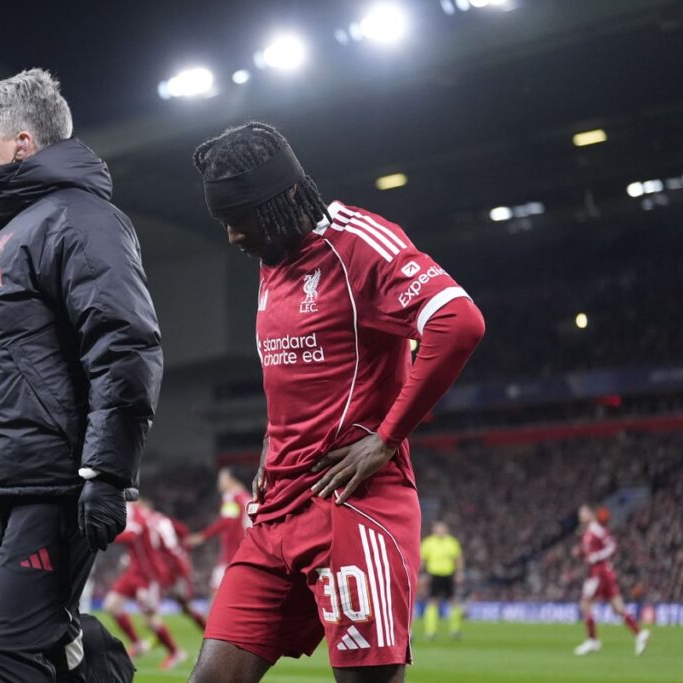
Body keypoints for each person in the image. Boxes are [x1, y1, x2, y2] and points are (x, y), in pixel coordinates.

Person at [188, 122, 485, 683]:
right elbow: (297, 374)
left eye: (240, 218)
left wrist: (386, 438)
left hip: (352, 506)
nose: (232, 235)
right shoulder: (271, 259)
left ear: (281, 201)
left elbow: (458, 321)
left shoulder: (360, 245)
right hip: (277, 510)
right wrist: (269, 445)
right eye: (224, 221)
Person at [0, 68, 163, 682]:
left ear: (22, 143)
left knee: (6, 653)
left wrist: (105, 471)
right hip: (11, 483)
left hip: (57, 480)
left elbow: (124, 343)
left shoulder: (80, 219)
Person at [104, 502, 188, 670]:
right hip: (134, 570)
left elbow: (131, 535)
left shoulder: (140, 515)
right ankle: (138, 644)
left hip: (149, 574)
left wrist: (105, 534)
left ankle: (176, 652)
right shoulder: (136, 514)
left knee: (149, 619)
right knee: (111, 605)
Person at [573, 505, 650, 656]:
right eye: (580, 513)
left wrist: (596, 557)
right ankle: (640, 634)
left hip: (600, 572)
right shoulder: (586, 532)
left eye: (584, 513)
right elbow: (591, 552)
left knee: (585, 603)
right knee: (617, 607)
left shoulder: (597, 529)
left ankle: (593, 641)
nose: (581, 516)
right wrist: (581, 553)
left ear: (591, 514)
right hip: (600, 572)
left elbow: (612, 546)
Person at [186, 467, 253, 594]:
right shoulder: (247, 497)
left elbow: (227, 521)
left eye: (221, 479)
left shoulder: (231, 497)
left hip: (233, 553)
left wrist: (203, 535)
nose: (219, 482)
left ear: (231, 480)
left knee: (217, 592)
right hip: (246, 553)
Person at [419, 520, 464, 640]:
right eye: (438, 528)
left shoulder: (452, 542)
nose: (440, 531)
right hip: (434, 575)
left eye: (442, 528)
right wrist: (421, 574)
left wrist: (459, 573)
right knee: (433, 602)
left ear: (446, 530)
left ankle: (455, 630)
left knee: (454, 601)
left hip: (449, 575)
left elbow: (458, 559)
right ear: (434, 530)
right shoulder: (428, 543)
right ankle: (431, 631)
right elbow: (422, 560)